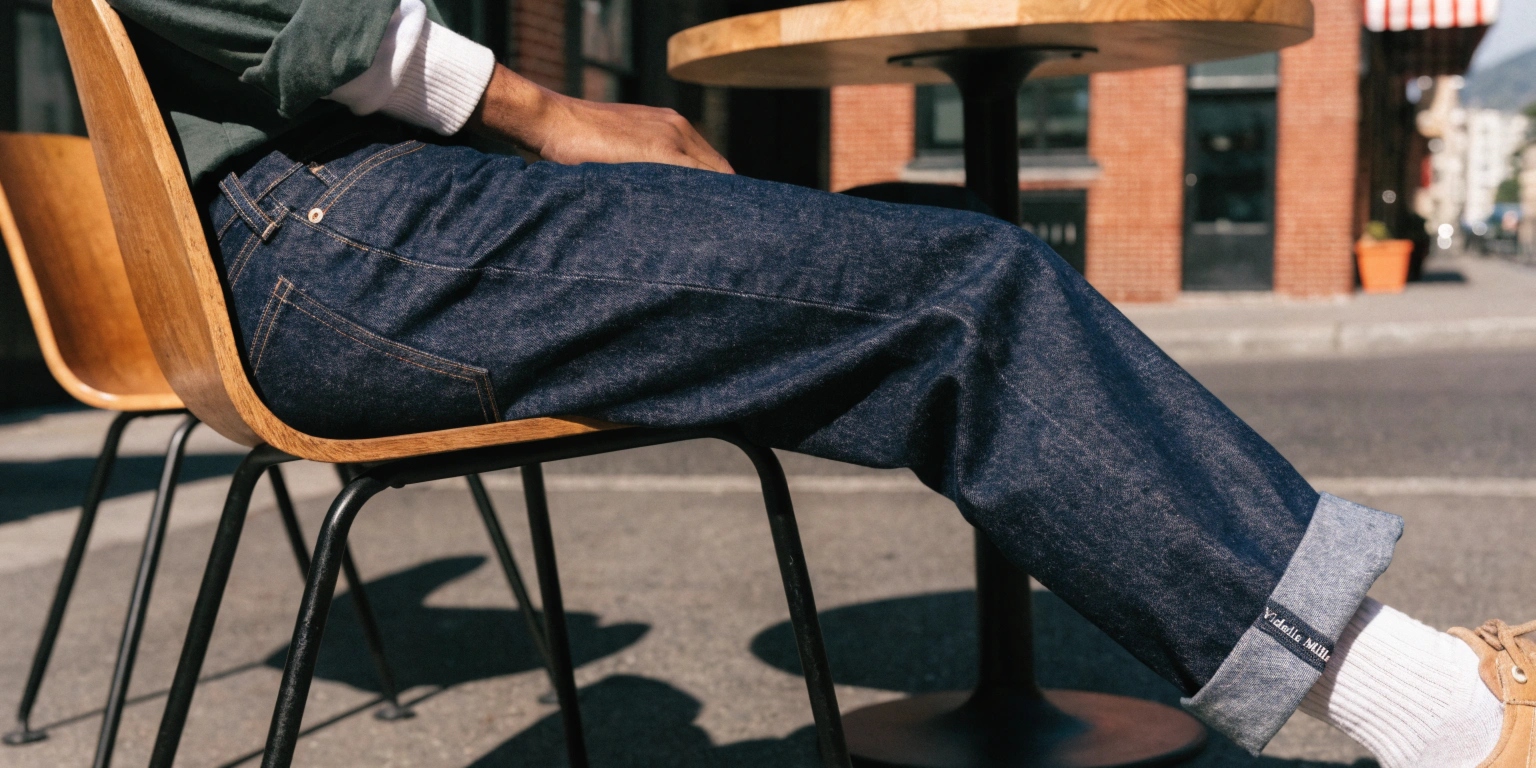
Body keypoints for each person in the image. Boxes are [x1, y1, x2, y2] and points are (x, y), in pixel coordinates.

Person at [101, 0, 1529, 765]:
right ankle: (1438, 714)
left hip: (326, 228)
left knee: (916, 237)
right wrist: (540, 106)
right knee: (969, 286)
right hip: (339, 230)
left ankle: (1408, 682)